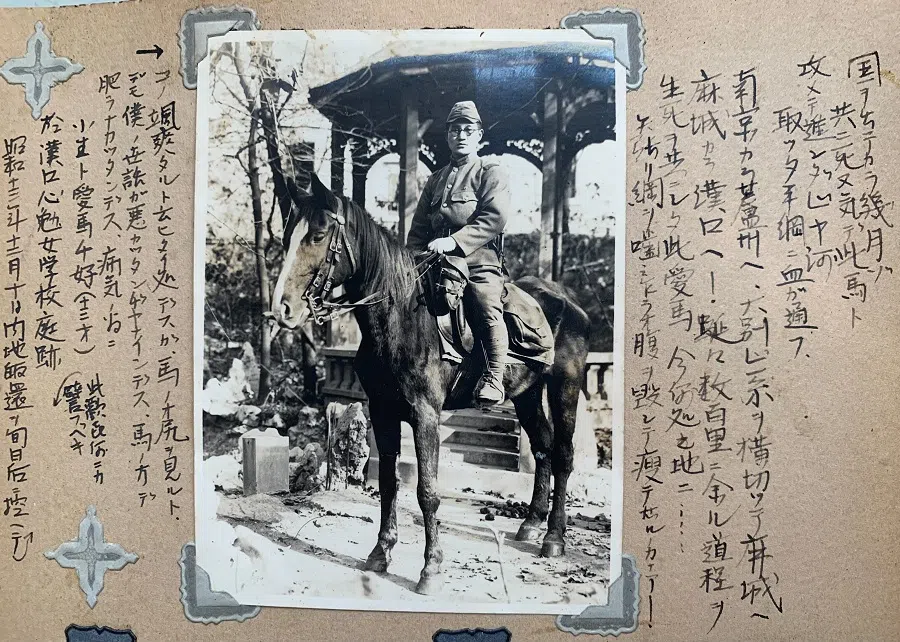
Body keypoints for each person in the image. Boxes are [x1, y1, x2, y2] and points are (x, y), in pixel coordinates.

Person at [406, 100, 510, 405]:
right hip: (434, 260)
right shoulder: (436, 179)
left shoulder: (490, 171)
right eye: (455, 130)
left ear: (479, 135)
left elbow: (494, 218)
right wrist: (410, 261)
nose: (461, 135)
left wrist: (455, 242)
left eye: (467, 130)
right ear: (448, 136)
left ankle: (494, 376)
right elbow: (418, 229)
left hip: (477, 259)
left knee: (486, 303)